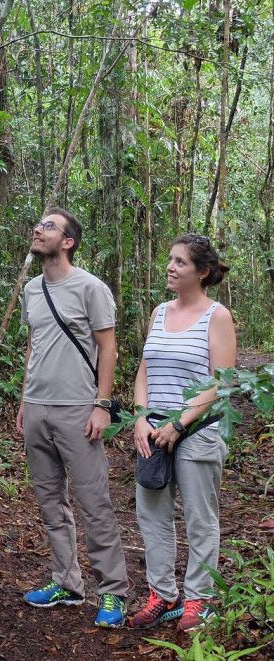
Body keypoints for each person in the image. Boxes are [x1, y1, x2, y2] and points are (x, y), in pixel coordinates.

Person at [16, 208, 128, 628]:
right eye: (39, 223)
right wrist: (25, 399)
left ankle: (113, 592)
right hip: (38, 407)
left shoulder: (91, 288)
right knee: (50, 503)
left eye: (48, 226)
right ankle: (66, 581)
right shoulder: (31, 289)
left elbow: (108, 349)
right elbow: (35, 344)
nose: (38, 229)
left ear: (68, 242)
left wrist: (101, 405)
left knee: (94, 503)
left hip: (78, 409)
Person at [128, 234, 236, 634]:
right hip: (152, 431)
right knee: (152, 516)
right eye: (170, 260)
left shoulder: (217, 316)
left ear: (202, 272)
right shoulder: (159, 312)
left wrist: (181, 422)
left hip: (198, 431)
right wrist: (141, 417)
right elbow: (144, 371)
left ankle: (199, 599)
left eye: (181, 262)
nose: (171, 267)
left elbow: (220, 383)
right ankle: (162, 594)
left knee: (199, 518)